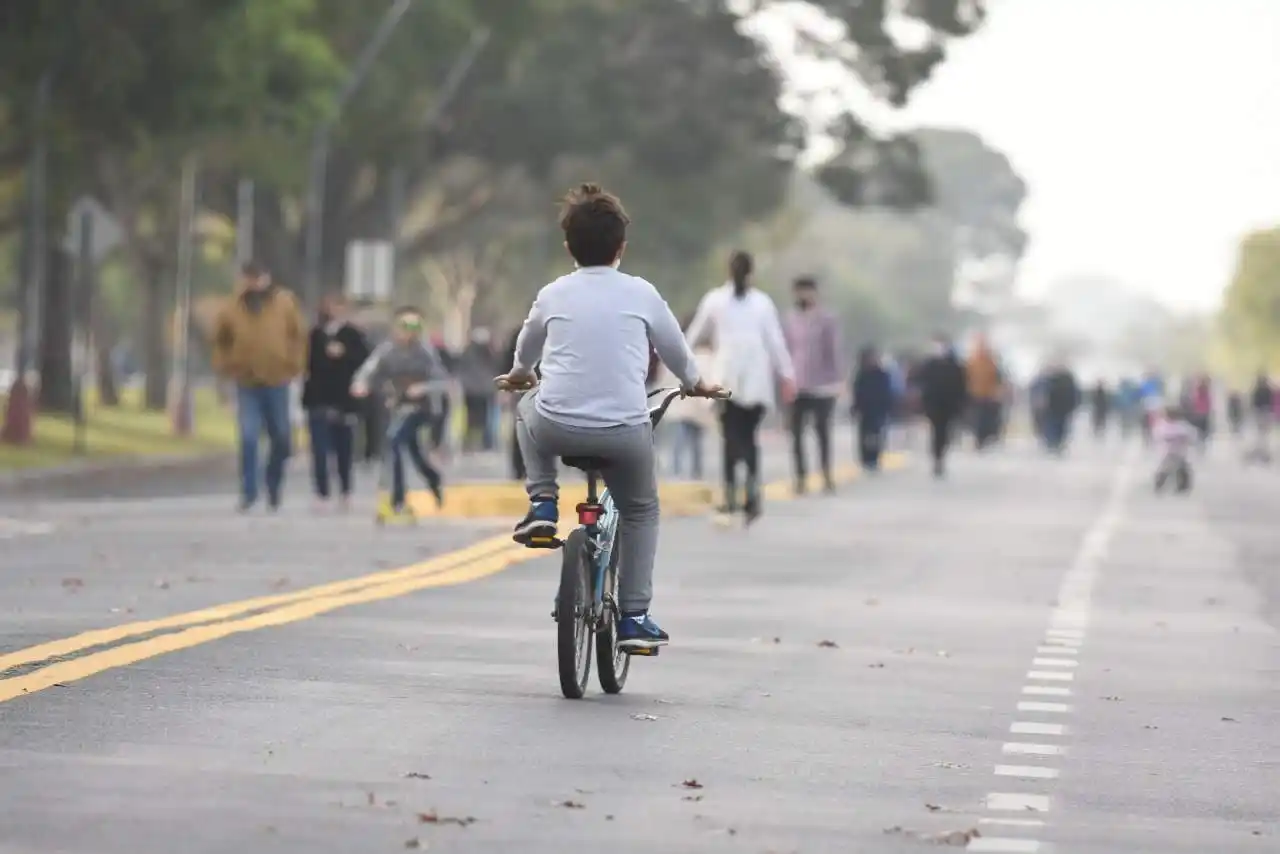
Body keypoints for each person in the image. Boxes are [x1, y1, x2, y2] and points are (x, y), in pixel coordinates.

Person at [496, 183, 723, 651]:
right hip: (623, 431)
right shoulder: (641, 293)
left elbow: (526, 346)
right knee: (641, 510)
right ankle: (634, 616)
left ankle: (542, 503)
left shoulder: (554, 292)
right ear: (621, 247)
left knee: (525, 406)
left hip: (556, 424)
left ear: (568, 248)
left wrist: (521, 374)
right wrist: (696, 383)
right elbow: (676, 351)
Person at [685, 251, 795, 522]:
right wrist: (787, 375)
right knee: (748, 439)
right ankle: (751, 494)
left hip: (727, 378)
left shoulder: (715, 300)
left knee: (731, 438)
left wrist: (683, 365)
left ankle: (732, 496)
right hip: (755, 379)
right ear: (751, 273)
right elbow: (776, 343)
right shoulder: (762, 303)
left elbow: (693, 335)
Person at [210, 261, 307, 512]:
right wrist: (226, 366)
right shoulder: (232, 307)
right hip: (247, 382)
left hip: (278, 380)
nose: (254, 284)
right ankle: (249, 491)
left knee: (282, 438)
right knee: (249, 436)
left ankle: (273, 485)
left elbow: (298, 335)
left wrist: (295, 365)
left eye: (258, 278)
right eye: (248, 279)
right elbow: (220, 340)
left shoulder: (284, 302)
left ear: (267, 278)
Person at [351, 307, 447, 517]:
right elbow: (370, 369)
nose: (407, 335)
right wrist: (361, 384)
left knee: (393, 440)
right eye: (404, 329)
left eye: (413, 330)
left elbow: (441, 380)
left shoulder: (425, 353)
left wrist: (422, 388)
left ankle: (398, 499)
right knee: (412, 450)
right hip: (397, 406)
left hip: (422, 408)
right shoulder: (388, 351)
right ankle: (432, 478)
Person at [301, 293, 370, 511]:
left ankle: (346, 490)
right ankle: (322, 492)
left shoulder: (353, 335)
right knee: (319, 449)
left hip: (344, 401)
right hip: (318, 399)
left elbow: (364, 363)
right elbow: (307, 364)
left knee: (344, 449)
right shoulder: (314, 335)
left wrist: (344, 354)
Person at [781, 276, 844, 493]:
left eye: (807, 292)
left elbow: (833, 351)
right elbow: (784, 351)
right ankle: (801, 478)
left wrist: (838, 381)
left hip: (822, 386)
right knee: (796, 434)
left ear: (815, 294)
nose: (803, 296)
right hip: (796, 385)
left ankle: (826, 475)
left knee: (822, 432)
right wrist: (783, 379)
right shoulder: (790, 319)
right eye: (799, 292)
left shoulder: (827, 319)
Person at [659, 317, 716, 480]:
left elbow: (665, 377)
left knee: (680, 441)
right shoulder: (706, 355)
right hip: (698, 407)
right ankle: (695, 475)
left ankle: (677, 474)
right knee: (695, 443)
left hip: (681, 404)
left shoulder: (677, 352)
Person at [916, 334, 967, 477]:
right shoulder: (929, 365)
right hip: (933, 405)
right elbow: (921, 383)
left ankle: (941, 453)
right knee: (936, 431)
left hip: (949, 405)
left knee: (945, 432)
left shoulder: (954, 365)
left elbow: (961, 386)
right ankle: (937, 458)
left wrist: (961, 404)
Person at [851, 345, 893, 471]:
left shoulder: (882, 374)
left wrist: (887, 407)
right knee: (864, 436)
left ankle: (874, 458)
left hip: (879, 410)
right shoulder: (861, 374)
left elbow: (887, 392)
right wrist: (855, 407)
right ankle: (865, 459)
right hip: (865, 410)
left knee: (876, 436)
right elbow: (857, 392)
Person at [458, 327, 499, 452]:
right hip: (485, 389)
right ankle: (487, 442)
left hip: (471, 389)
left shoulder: (467, 352)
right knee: (486, 416)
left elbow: (461, 368)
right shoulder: (490, 353)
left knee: (471, 416)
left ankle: (469, 442)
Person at [965, 333, 1004, 450]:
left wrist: (998, 392)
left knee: (987, 419)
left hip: (989, 395)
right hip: (974, 395)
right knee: (976, 419)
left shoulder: (992, 363)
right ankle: (978, 439)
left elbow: (998, 379)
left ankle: (985, 438)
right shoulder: (971, 362)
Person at [1152, 404, 1195, 493]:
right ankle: (1159, 484)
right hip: (1169, 452)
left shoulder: (1181, 425)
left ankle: (1183, 486)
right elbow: (1159, 435)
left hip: (1179, 452)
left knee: (1182, 469)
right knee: (1165, 469)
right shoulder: (1163, 425)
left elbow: (1191, 435)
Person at [1041, 361, 1081, 454]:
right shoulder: (1068, 380)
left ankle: (1054, 442)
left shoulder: (1052, 380)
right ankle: (1057, 442)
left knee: (1056, 425)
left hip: (1056, 408)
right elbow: (1075, 395)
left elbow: (1047, 394)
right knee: (1061, 426)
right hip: (1061, 408)